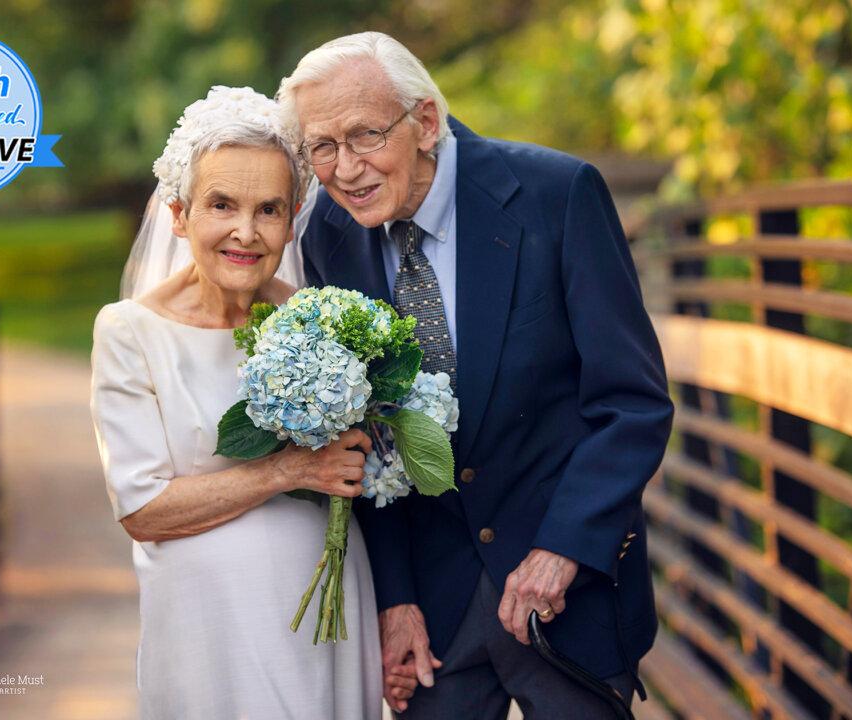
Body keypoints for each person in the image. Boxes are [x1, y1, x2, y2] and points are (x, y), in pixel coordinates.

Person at [278, 32, 675, 719]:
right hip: (434, 617)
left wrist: (564, 550)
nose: (344, 170)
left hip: (565, 597)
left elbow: (632, 404)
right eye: (322, 147)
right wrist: (394, 598)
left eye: (365, 135)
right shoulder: (327, 237)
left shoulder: (557, 195)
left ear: (426, 122)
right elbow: (363, 436)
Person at [89, 86, 382, 720]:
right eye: (221, 204)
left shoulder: (318, 318)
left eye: (269, 209)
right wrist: (289, 470)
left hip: (326, 613)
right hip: (206, 628)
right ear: (178, 213)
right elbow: (142, 509)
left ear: (293, 216)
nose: (245, 232)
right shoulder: (129, 331)